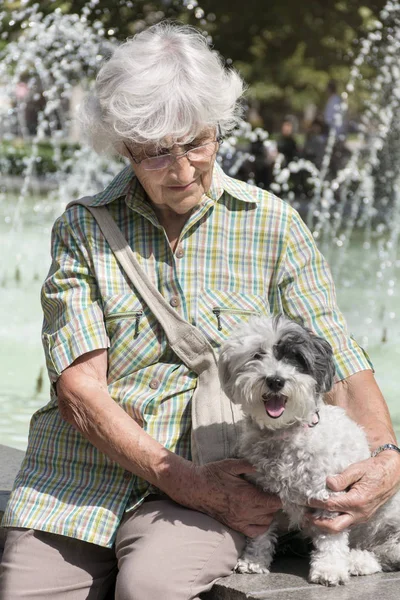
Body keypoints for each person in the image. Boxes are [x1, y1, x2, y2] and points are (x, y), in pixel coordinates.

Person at [1, 22, 399, 600]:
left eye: (197, 143)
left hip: (216, 478)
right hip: (80, 481)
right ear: (123, 147)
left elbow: (338, 354)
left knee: (153, 589)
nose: (183, 170)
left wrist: (386, 457)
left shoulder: (273, 224)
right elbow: (78, 389)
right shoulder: (83, 228)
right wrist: (185, 482)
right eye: (157, 153)